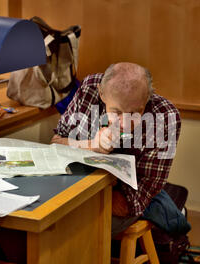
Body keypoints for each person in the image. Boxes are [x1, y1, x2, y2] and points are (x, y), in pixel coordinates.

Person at [51, 62, 181, 236]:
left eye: (136, 112)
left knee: (70, 229)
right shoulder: (89, 89)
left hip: (117, 198)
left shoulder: (164, 117)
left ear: (147, 99)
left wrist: (80, 200)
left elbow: (134, 201)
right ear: (102, 94)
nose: (125, 123)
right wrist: (91, 146)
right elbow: (56, 143)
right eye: (116, 112)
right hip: (73, 187)